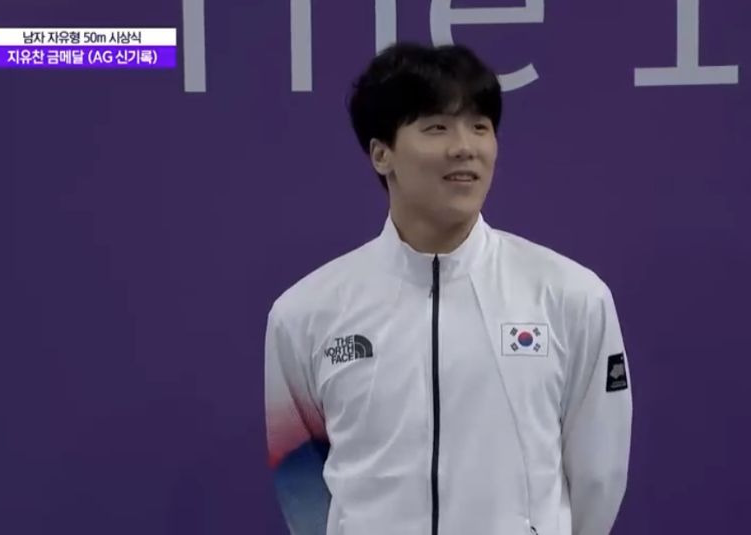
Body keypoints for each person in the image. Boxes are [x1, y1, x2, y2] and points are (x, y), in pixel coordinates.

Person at [264, 42, 632, 535]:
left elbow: (598, 475)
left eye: (480, 126)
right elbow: (300, 481)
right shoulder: (305, 313)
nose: (465, 147)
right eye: (437, 127)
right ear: (381, 154)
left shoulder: (572, 296)